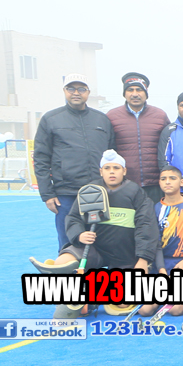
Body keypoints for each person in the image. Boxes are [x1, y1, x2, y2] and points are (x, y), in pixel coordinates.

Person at [30, 150, 157, 278]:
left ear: (124, 171)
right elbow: (73, 218)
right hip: (94, 249)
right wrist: (79, 235)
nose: (112, 172)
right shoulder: (89, 190)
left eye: (116, 168)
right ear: (101, 171)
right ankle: (57, 272)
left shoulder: (136, 193)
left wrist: (143, 259)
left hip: (125, 253)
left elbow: (146, 225)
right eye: (107, 168)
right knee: (63, 262)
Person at [34, 74, 116, 249]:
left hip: (99, 192)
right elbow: (41, 158)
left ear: (88, 92)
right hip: (66, 194)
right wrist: (47, 194)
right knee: (68, 243)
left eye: (81, 89)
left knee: (101, 243)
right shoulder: (51, 119)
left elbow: (112, 155)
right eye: (71, 88)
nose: (76, 93)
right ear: (64, 91)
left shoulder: (102, 120)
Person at [138, 164, 183, 317]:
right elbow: (155, 243)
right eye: (163, 179)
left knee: (174, 309)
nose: (167, 182)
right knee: (145, 310)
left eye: (172, 178)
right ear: (159, 183)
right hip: (162, 263)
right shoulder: (155, 209)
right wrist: (161, 269)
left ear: (181, 182)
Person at [106, 72, 170, 203]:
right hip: (124, 184)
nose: (135, 94)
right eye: (130, 90)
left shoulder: (160, 115)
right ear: (124, 93)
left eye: (139, 90)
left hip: (156, 184)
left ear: (146, 93)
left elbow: (169, 147)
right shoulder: (112, 116)